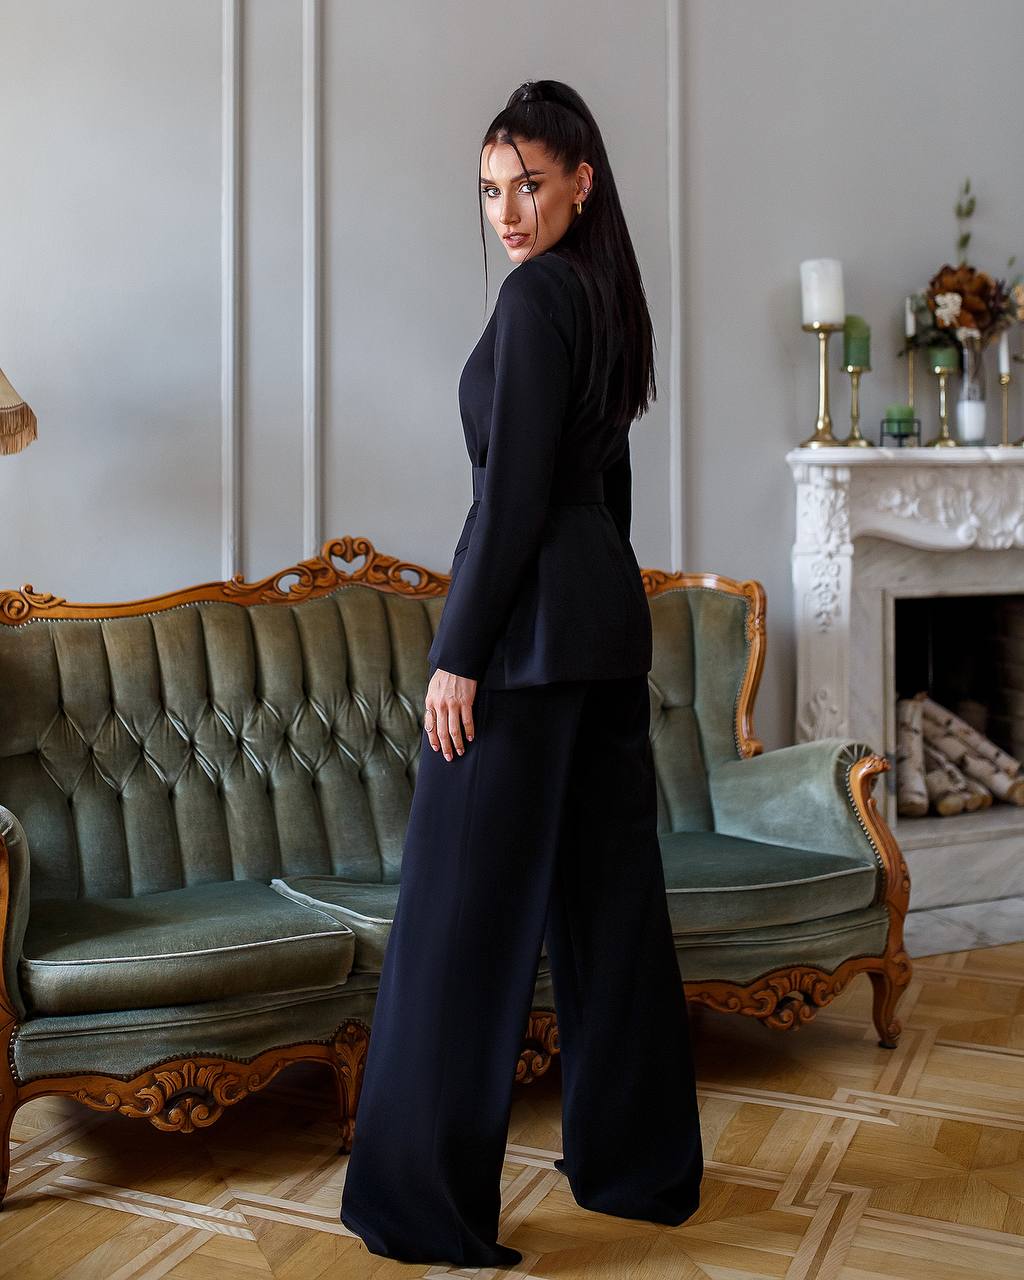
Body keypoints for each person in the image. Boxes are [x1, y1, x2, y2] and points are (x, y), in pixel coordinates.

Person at [339, 78, 703, 1270]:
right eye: (492, 190)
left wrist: (457, 655)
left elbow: (510, 503)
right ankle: (637, 1168)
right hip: (597, 637)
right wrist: (615, 619)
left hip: (532, 645)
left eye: (529, 183)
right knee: (611, 915)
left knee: (457, 918)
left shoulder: (541, 293)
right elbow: (606, 495)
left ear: (580, 179)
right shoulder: (608, 298)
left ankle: (421, 1204)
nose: (507, 210)